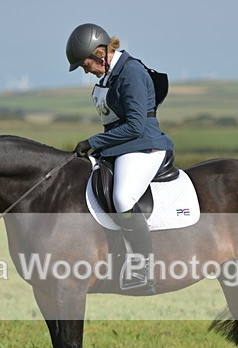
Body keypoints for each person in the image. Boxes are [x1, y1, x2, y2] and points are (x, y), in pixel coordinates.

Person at [66, 23, 174, 293]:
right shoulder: (109, 76)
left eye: (84, 64)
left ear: (100, 54)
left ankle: (142, 269)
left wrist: (94, 142)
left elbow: (136, 126)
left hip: (143, 146)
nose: (85, 70)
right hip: (119, 148)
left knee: (122, 198)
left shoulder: (131, 74)